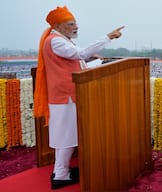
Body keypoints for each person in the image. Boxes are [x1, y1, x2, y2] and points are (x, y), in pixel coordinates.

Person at [33, 6, 124, 190]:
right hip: (65, 96)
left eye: (75, 23)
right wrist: (108, 37)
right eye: (71, 24)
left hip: (67, 95)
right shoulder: (55, 41)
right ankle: (61, 175)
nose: (76, 27)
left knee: (64, 135)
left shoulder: (61, 39)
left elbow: (77, 62)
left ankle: (61, 172)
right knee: (65, 137)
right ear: (58, 26)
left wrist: (99, 62)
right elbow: (81, 54)